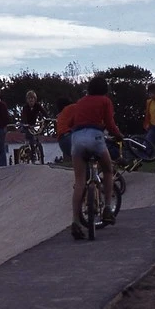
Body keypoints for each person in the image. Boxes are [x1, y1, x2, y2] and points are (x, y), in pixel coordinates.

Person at [67, 76, 124, 240]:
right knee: (107, 170)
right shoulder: (105, 101)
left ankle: (75, 221)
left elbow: (71, 122)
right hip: (95, 137)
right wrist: (118, 136)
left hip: (77, 138)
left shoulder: (80, 102)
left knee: (79, 181)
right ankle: (107, 208)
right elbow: (110, 123)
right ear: (104, 89)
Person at [20, 90, 48, 163]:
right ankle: (31, 154)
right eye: (29, 98)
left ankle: (37, 153)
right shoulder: (25, 107)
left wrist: (47, 118)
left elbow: (44, 112)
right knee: (30, 137)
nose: (31, 100)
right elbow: (24, 116)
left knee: (36, 136)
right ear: (27, 100)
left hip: (33, 124)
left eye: (32, 98)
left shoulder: (38, 106)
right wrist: (26, 123)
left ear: (35, 99)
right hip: (26, 124)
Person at [56, 97, 76, 162]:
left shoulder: (60, 115)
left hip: (62, 142)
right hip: (69, 137)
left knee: (81, 159)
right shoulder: (72, 107)